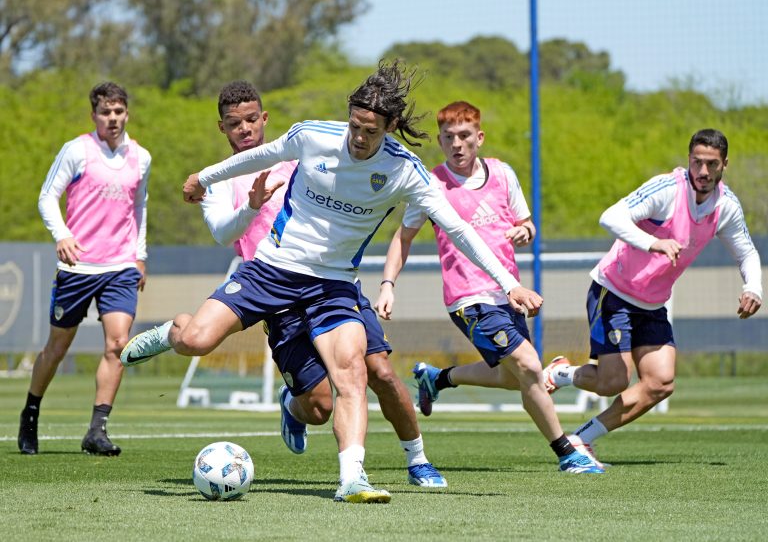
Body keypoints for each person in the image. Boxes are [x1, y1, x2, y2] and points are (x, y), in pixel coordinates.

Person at [122, 60, 542, 503]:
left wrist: (508, 283)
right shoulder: (314, 136)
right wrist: (203, 178)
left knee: (354, 372)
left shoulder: (406, 171)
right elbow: (264, 154)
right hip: (271, 270)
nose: (360, 138)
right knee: (196, 341)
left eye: (371, 131)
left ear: (390, 127)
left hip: (333, 285)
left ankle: (353, 478)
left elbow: (459, 229)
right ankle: (172, 332)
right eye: (355, 126)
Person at [197, 80, 446, 488]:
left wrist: (385, 282)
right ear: (221, 128)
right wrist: (251, 206)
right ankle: (293, 409)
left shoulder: (301, 154)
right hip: (274, 287)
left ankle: (417, 459)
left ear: (264, 119)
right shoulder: (225, 178)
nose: (244, 129)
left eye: (250, 120)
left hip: (332, 283)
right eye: (233, 123)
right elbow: (224, 234)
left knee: (379, 370)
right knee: (318, 407)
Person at [375, 101, 603, 474]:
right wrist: (387, 285)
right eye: (449, 138)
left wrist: (524, 231)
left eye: (465, 136)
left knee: (512, 378)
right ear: (440, 140)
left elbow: (526, 223)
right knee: (530, 366)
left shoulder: (501, 174)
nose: (457, 144)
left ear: (479, 138)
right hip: (468, 298)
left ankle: (437, 378)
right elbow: (403, 238)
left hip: (507, 293)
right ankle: (568, 453)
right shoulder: (430, 184)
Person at [541, 128, 762, 463]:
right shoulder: (668, 191)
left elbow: (746, 253)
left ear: (724, 166)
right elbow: (610, 216)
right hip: (613, 292)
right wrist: (652, 242)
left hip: (653, 303)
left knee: (660, 382)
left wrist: (753, 287)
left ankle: (582, 438)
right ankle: (562, 374)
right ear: (688, 159)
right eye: (697, 162)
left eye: (711, 165)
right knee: (613, 380)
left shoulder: (726, 207)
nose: (703, 172)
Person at [18, 82, 151, 456]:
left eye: (119, 112)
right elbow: (47, 196)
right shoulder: (76, 151)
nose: (113, 118)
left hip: (120, 266)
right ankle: (30, 412)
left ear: (127, 114)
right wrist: (61, 235)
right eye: (106, 112)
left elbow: (139, 208)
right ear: (94, 115)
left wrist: (139, 255)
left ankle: (97, 430)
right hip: (77, 266)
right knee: (57, 347)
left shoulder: (141, 157)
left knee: (118, 344)